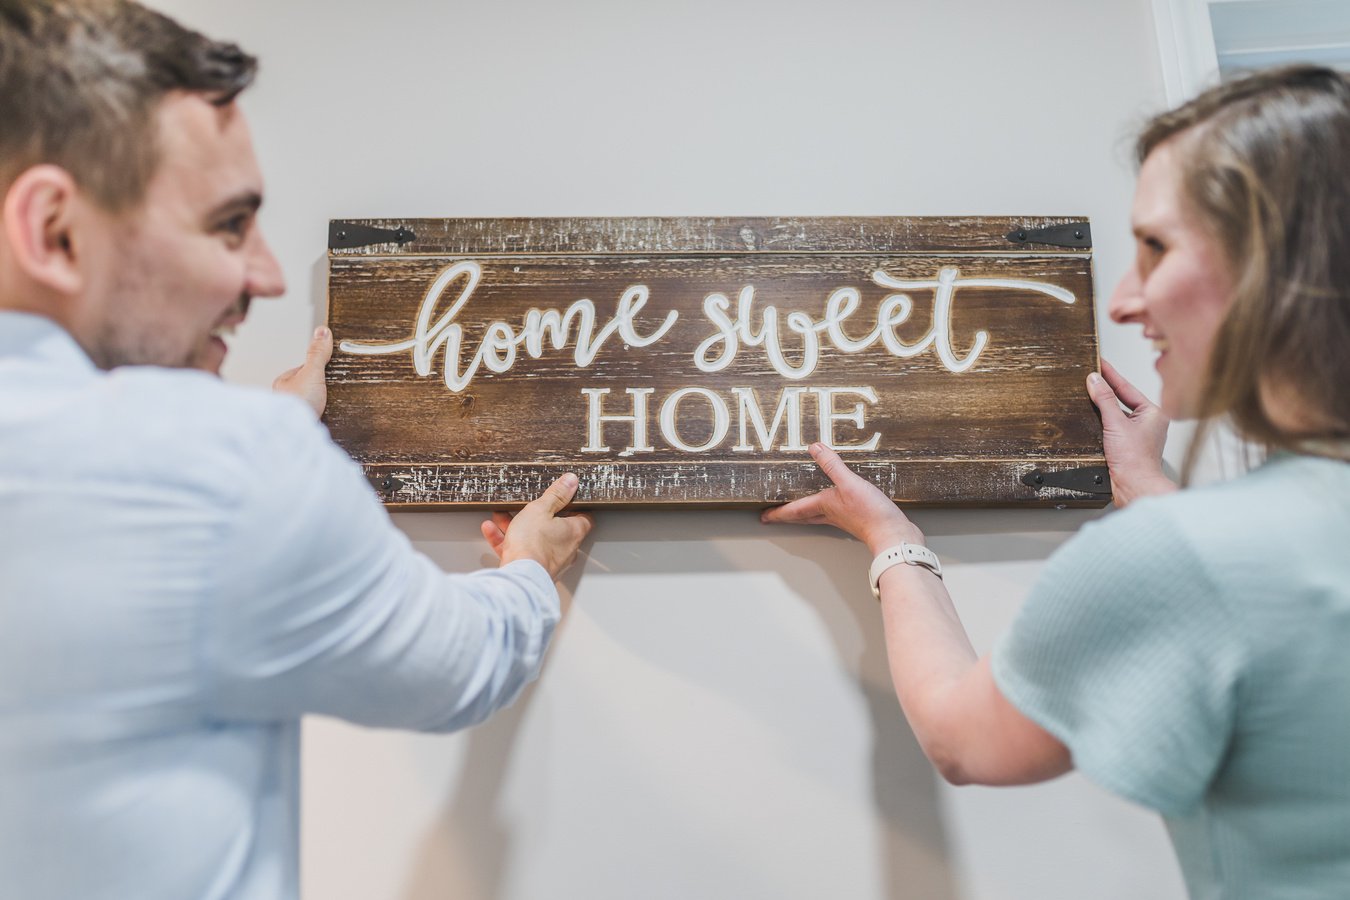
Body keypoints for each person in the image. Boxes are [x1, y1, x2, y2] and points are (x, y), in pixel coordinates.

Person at [0, 2, 592, 898]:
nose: (269, 275)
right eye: (228, 225)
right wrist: (528, 569)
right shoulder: (229, 472)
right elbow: (457, 665)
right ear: (53, 230)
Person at [764, 65, 1350, 897]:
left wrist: (893, 540)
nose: (1119, 300)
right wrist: (1143, 483)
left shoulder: (1177, 559)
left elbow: (963, 740)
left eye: (1155, 248)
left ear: (1272, 259)